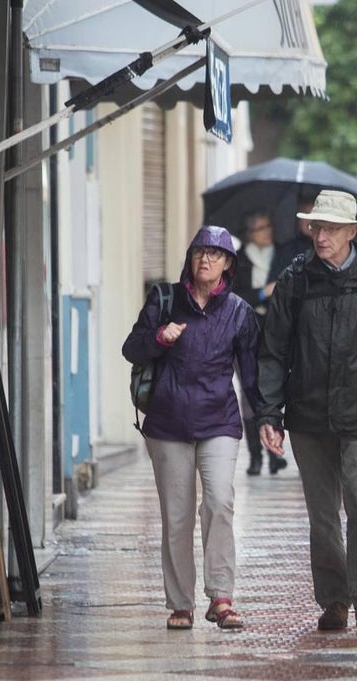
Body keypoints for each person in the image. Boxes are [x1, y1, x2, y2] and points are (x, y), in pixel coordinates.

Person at [255, 190, 357, 631]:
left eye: (329, 228)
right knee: (322, 512)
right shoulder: (295, 280)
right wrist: (269, 413)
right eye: (315, 227)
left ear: (351, 232)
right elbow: (273, 350)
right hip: (308, 414)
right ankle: (333, 598)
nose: (320, 236)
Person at [122, 225, 258, 631]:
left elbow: (251, 374)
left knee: (220, 502)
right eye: (200, 251)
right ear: (190, 257)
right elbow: (132, 349)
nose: (205, 259)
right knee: (177, 516)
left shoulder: (239, 312)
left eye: (215, 254)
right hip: (167, 422)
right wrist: (159, 337)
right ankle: (181, 604)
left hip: (219, 421)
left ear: (228, 264)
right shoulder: (165, 299)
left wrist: (269, 419)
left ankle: (221, 597)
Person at [233, 211, 291, 476]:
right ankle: (256, 456)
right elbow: (234, 297)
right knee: (249, 394)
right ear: (249, 234)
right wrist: (262, 293)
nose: (266, 231)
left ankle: (275, 453)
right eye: (259, 228)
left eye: (268, 226)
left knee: (271, 392)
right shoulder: (237, 261)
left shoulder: (283, 256)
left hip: (275, 333)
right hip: (246, 335)